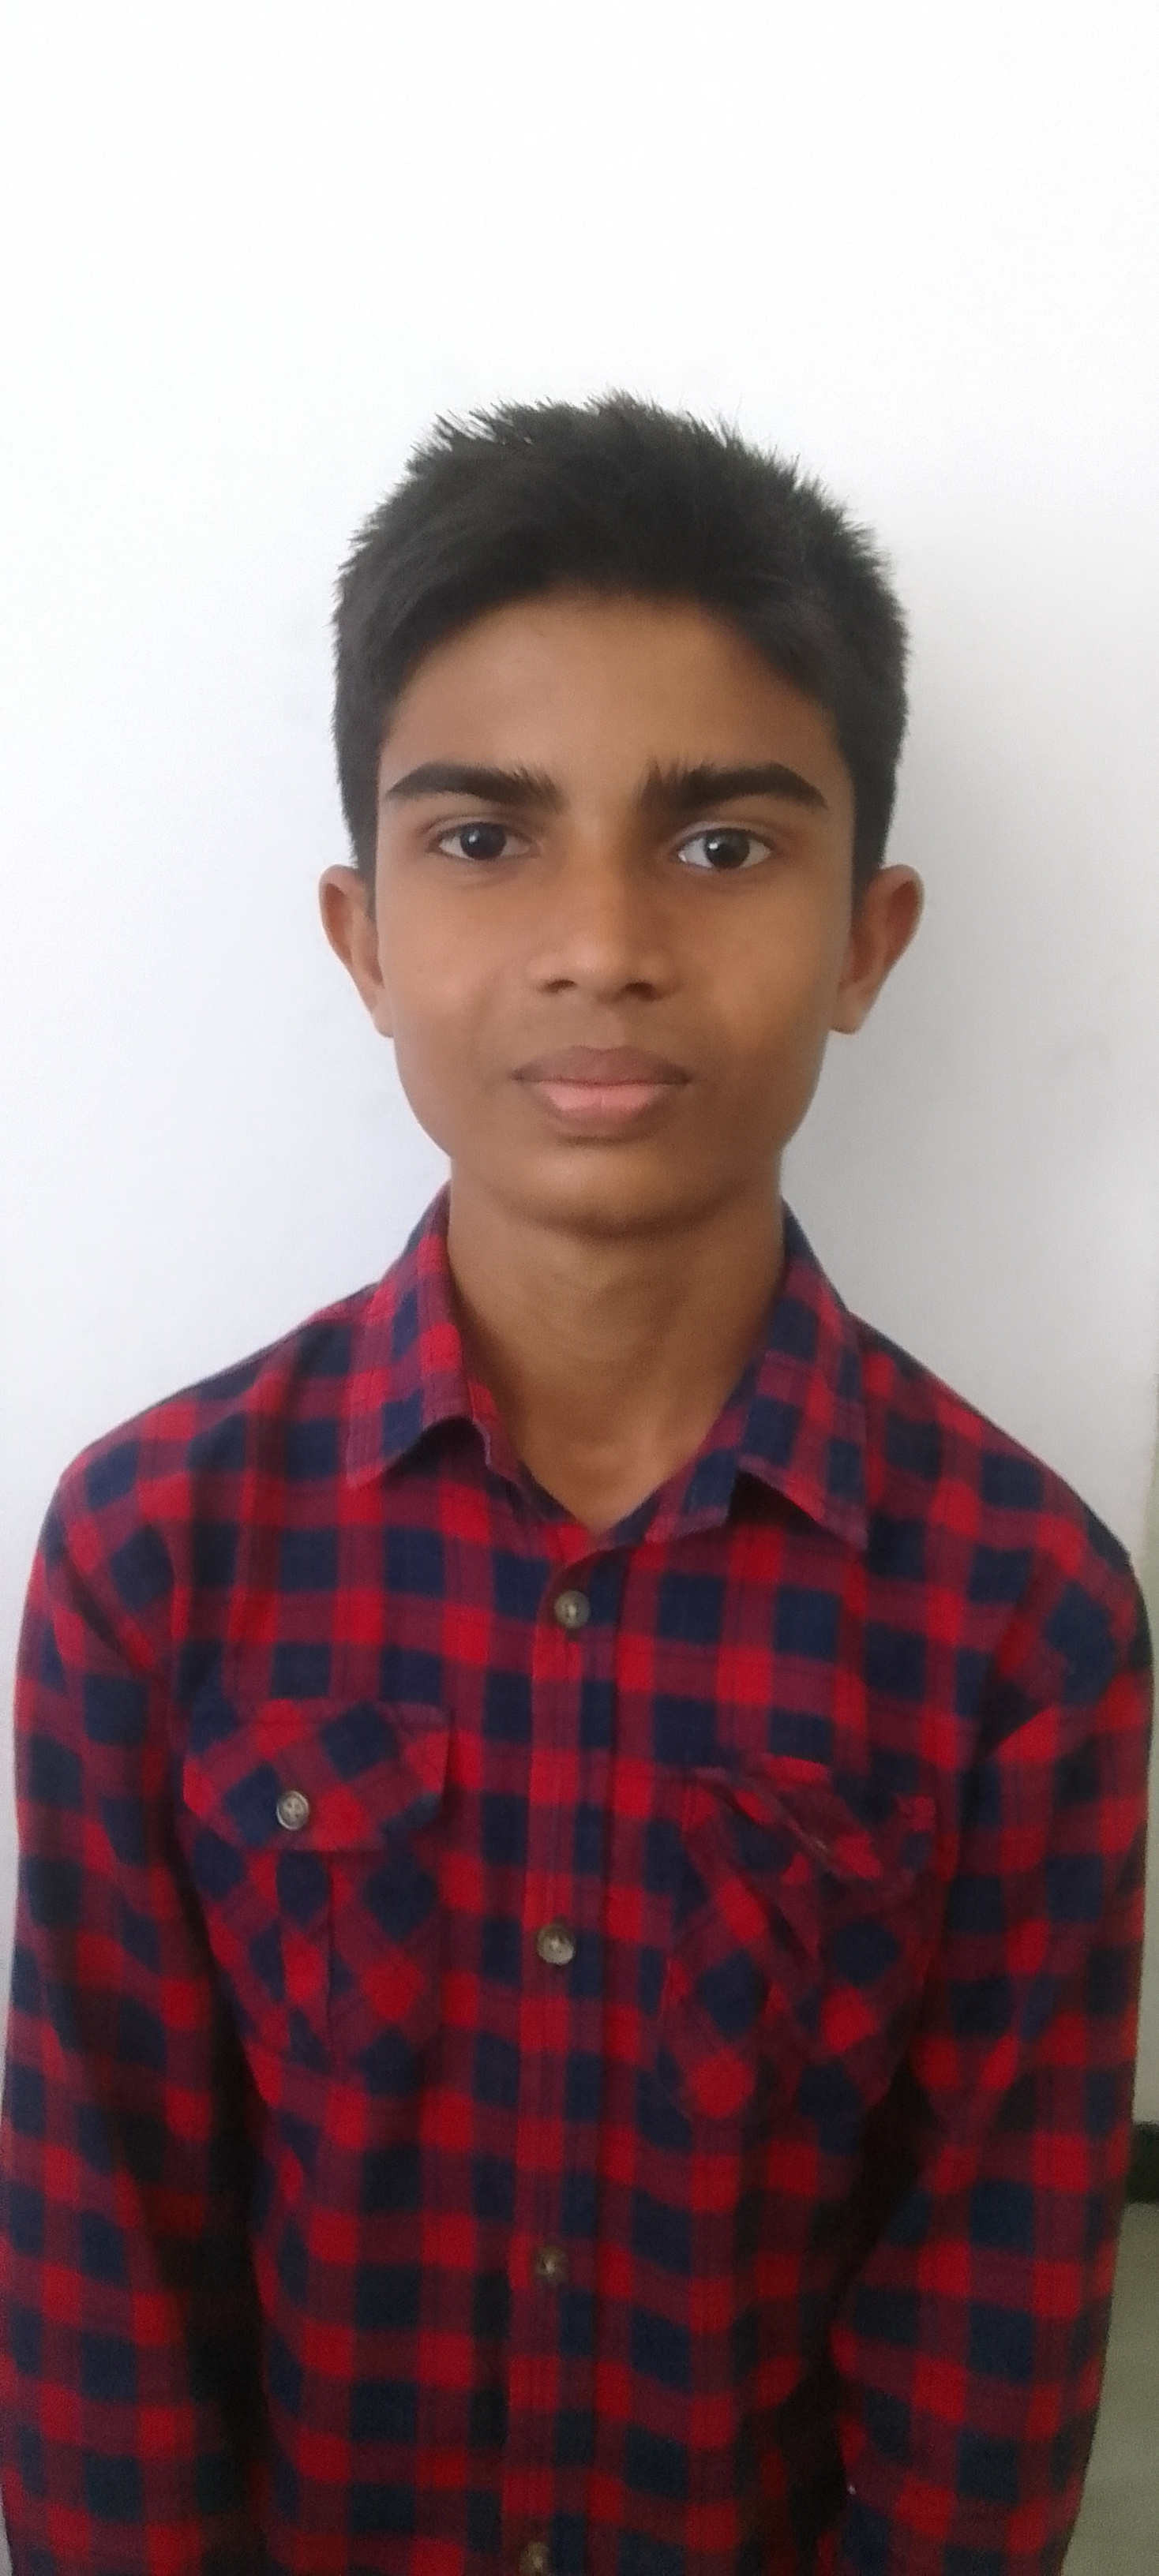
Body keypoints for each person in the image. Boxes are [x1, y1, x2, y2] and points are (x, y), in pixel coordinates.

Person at [0, 395, 1151, 2576]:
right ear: (360, 937)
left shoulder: (1020, 1613)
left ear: (866, 938)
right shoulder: (155, 1552)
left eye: (719, 846)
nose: (602, 941)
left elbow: (988, 2317)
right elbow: (101, 2253)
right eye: (483, 838)